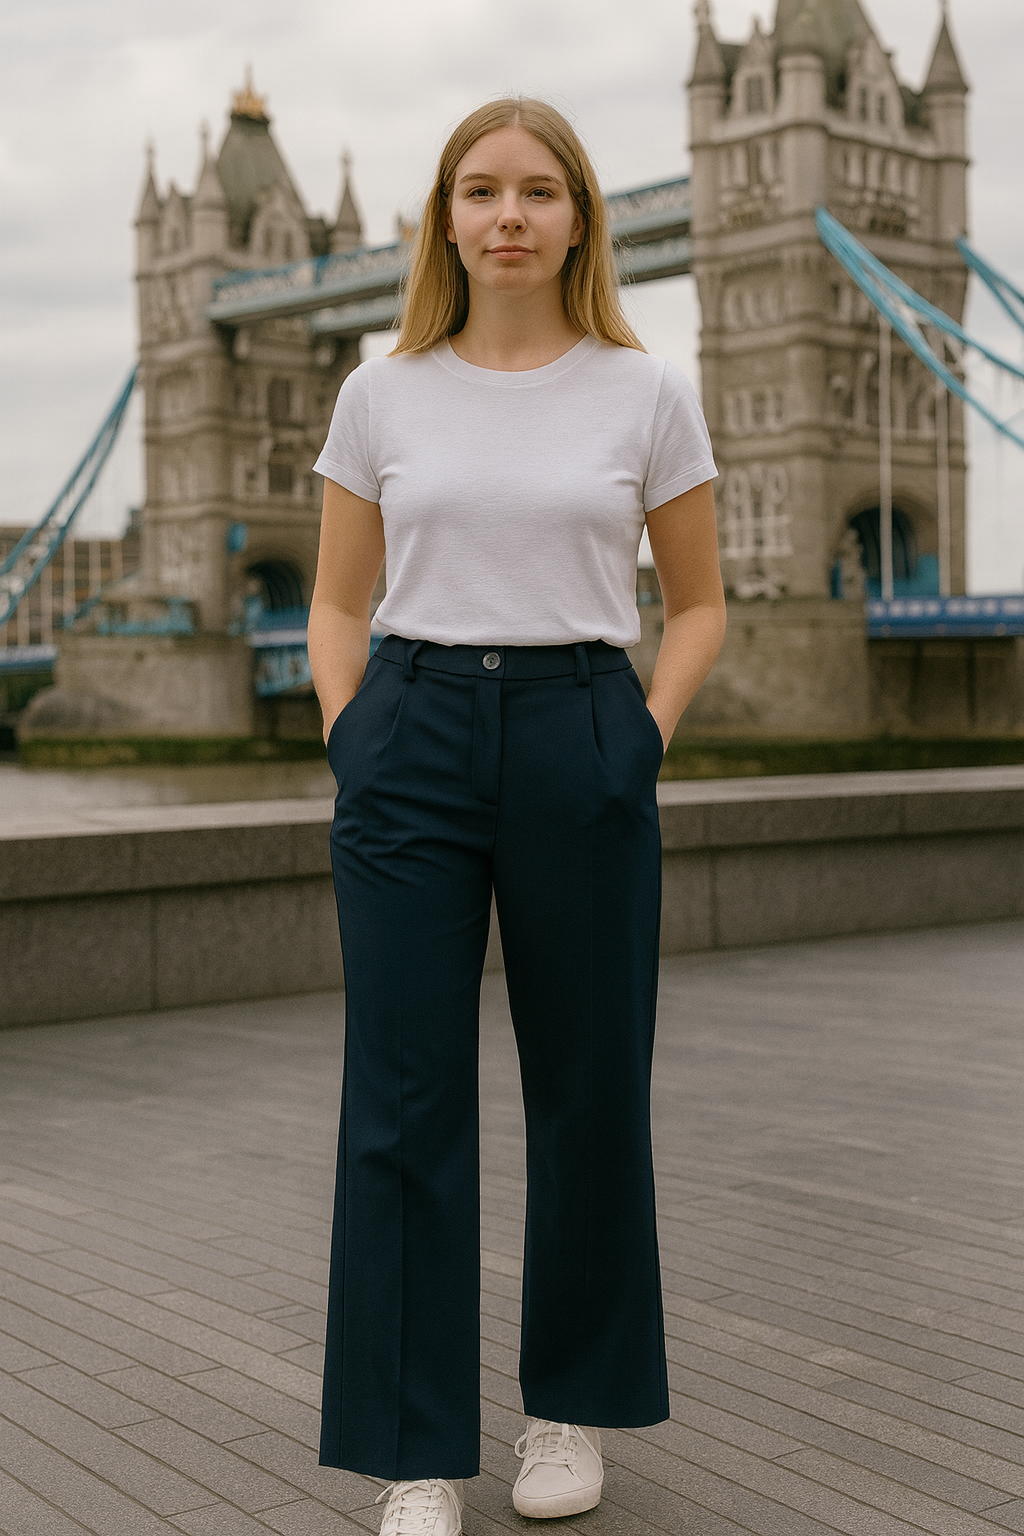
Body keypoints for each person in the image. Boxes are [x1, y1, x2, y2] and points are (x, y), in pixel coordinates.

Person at [307, 96, 725, 1536]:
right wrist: (355, 736)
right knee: (404, 1103)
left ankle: (571, 1412)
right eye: (478, 191)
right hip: (412, 728)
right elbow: (339, 601)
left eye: (538, 192)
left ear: (578, 219)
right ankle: (419, 1451)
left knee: (589, 1091)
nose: (507, 216)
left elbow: (702, 601)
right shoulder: (382, 390)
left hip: (579, 724)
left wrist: (641, 738)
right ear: (443, 219)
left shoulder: (643, 389)